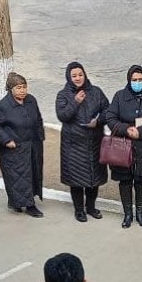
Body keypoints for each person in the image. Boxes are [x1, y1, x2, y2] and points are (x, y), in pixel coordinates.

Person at [106, 65, 142, 229]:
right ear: (129, 80)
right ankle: (128, 214)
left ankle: (140, 213)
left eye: (140, 80)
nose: (138, 82)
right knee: (125, 180)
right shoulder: (119, 96)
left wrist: (141, 131)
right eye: (134, 80)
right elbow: (110, 116)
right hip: (123, 144)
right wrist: (125, 130)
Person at [56, 62, 109, 223]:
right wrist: (75, 102)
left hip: (94, 142)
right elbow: (62, 116)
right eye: (74, 76)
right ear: (69, 77)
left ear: (85, 75)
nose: (78, 78)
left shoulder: (96, 92)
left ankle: (91, 207)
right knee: (76, 180)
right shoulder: (63, 94)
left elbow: (108, 109)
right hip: (73, 145)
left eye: (80, 74)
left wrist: (98, 121)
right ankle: (79, 210)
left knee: (94, 179)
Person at [0, 72, 45, 218]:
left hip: (32, 145)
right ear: (11, 89)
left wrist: (40, 137)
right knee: (18, 178)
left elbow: (38, 119)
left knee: (32, 174)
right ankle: (30, 206)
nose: (22, 90)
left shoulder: (31, 100)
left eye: (24, 87)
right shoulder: (4, 105)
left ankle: (19, 202)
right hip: (13, 149)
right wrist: (6, 140)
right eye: (19, 87)